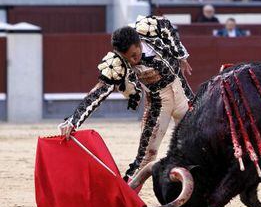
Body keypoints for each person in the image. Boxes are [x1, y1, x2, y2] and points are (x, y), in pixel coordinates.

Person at [59, 16, 195, 181]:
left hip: (181, 92)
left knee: (196, 145)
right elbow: (99, 92)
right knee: (146, 156)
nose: (132, 61)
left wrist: (180, 55)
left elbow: (167, 27)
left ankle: (207, 203)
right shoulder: (116, 63)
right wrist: (74, 120)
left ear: (139, 43)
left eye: (134, 55)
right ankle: (127, 200)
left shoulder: (149, 29)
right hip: (159, 103)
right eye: (127, 58)